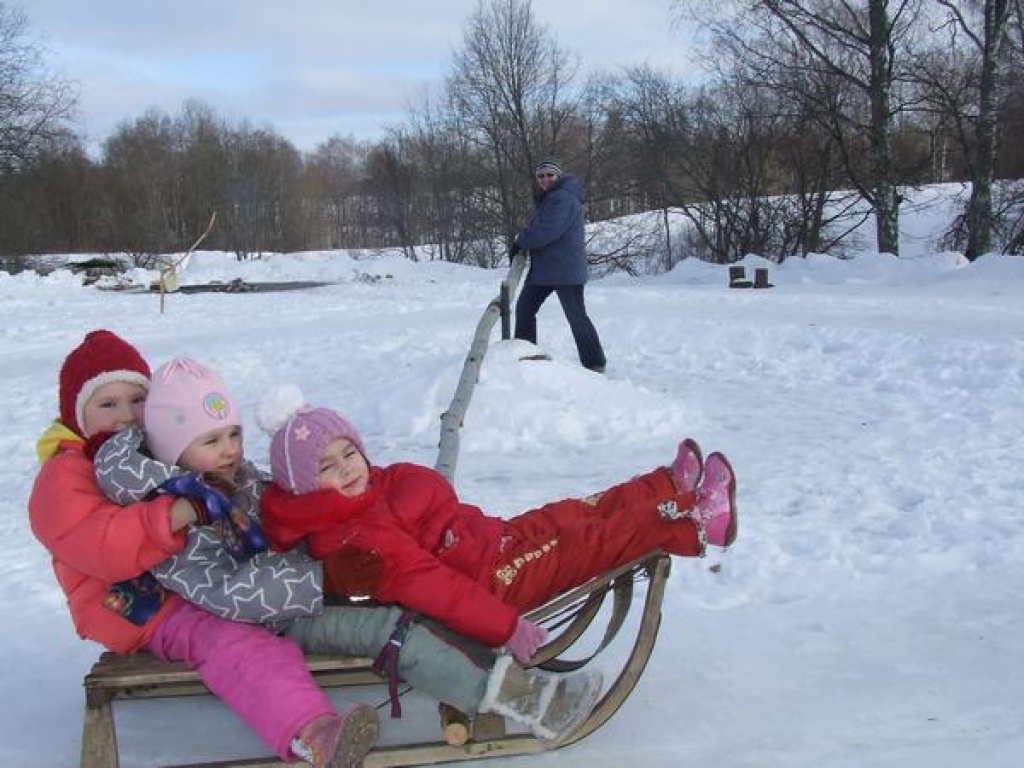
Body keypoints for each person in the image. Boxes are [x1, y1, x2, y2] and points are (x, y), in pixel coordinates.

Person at [93, 355, 604, 743]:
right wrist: (322, 578)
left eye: (233, 433)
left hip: (306, 590)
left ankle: (497, 665)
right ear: (172, 449)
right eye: (211, 440)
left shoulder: (230, 477)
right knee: (394, 631)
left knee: (409, 596)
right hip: (275, 618)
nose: (229, 449)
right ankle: (528, 703)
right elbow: (230, 593)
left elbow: (285, 504)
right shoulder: (176, 514)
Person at [28, 331, 378, 768]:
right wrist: (174, 514)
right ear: (77, 413)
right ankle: (312, 735)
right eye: (108, 404)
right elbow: (100, 547)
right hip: (138, 603)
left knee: (281, 589)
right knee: (237, 641)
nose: (125, 416)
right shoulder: (65, 474)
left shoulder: (148, 454)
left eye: (137, 400)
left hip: (186, 579)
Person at [258, 387, 737, 656]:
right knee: (589, 539)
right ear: (303, 486)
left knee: (572, 512)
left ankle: (666, 486)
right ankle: (697, 520)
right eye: (327, 467)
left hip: (491, 541)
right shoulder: (360, 540)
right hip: (495, 583)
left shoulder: (368, 494)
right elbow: (436, 587)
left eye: (349, 452)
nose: (347, 468)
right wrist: (505, 628)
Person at [510, 158, 607, 373]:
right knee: (524, 309)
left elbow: (546, 232)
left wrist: (520, 241)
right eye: (541, 176)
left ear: (559, 176)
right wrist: (523, 240)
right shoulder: (549, 199)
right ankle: (526, 355)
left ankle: (594, 363)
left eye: (550, 175)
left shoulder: (563, 199)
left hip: (565, 270)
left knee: (576, 317)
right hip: (546, 270)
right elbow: (540, 228)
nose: (545, 179)